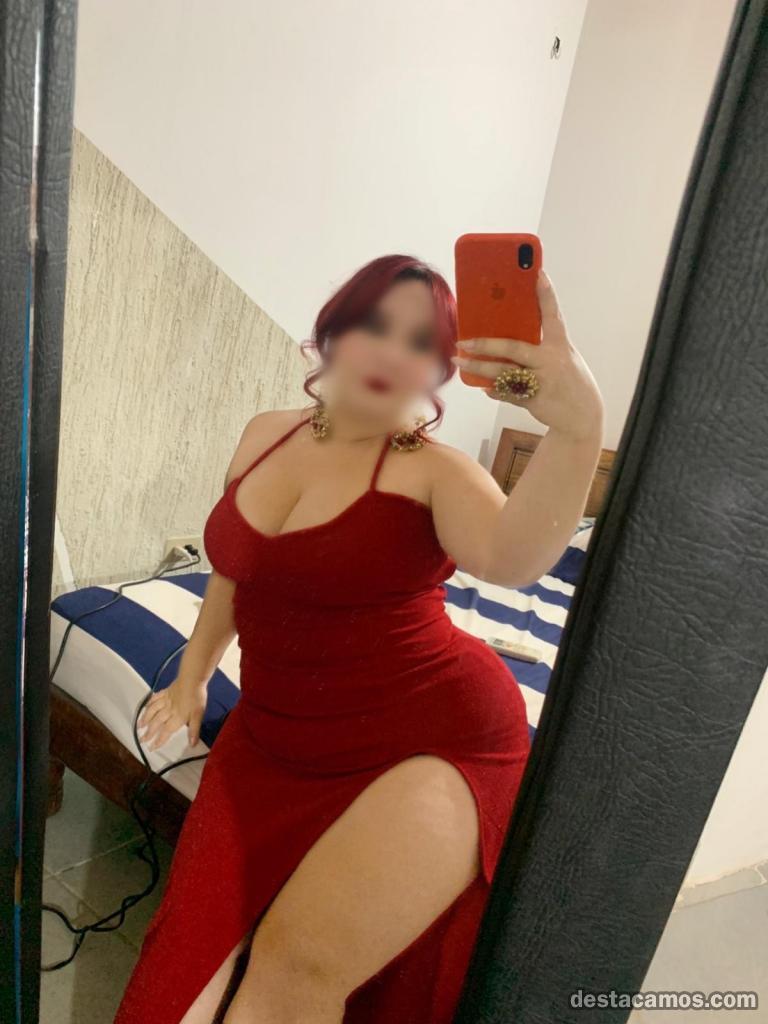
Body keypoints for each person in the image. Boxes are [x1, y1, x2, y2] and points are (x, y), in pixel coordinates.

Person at [113, 253, 604, 1024]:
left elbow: (514, 559)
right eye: (377, 324)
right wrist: (194, 677)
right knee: (167, 996)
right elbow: (237, 571)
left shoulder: (437, 474)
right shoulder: (265, 433)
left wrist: (577, 429)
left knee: (293, 972)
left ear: (439, 370)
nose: (392, 353)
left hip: (426, 742)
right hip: (272, 740)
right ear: (335, 327)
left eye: (421, 342)